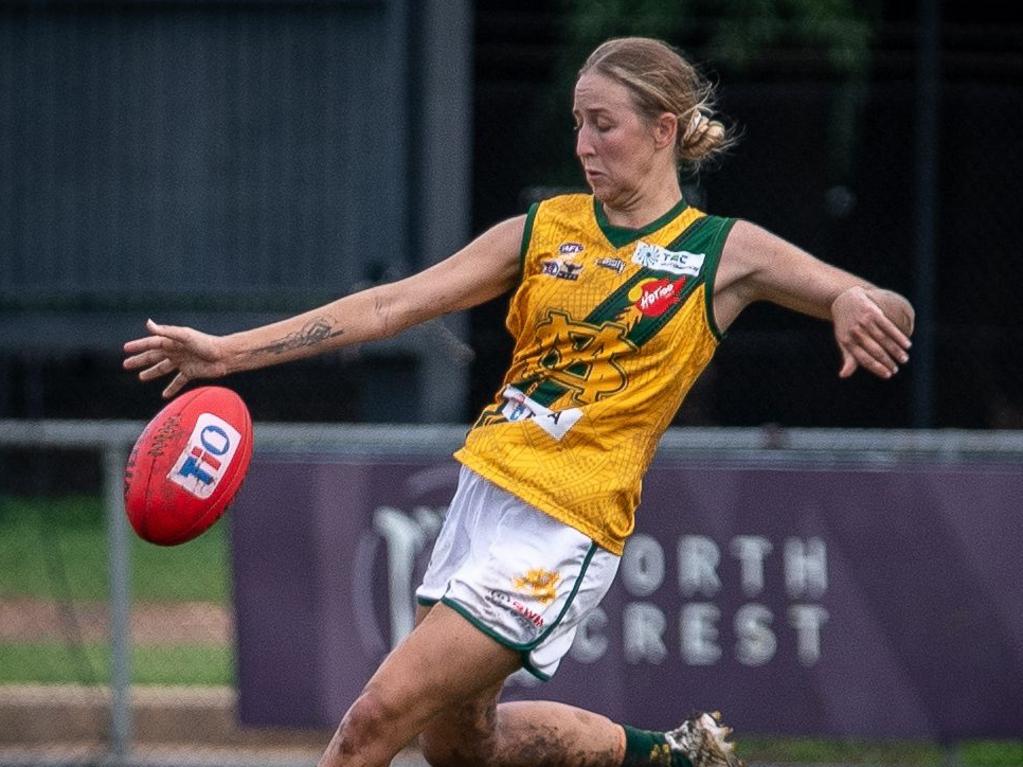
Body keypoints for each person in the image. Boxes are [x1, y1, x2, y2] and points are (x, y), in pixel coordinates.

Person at [124, 37, 914, 767]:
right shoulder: (543, 229)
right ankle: (666, 756)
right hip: (480, 499)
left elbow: (877, 301)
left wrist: (855, 303)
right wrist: (225, 352)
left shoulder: (723, 251)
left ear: (663, 128)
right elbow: (389, 307)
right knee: (462, 749)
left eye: (602, 125)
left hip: (560, 526)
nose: (582, 145)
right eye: (577, 123)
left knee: (373, 721)